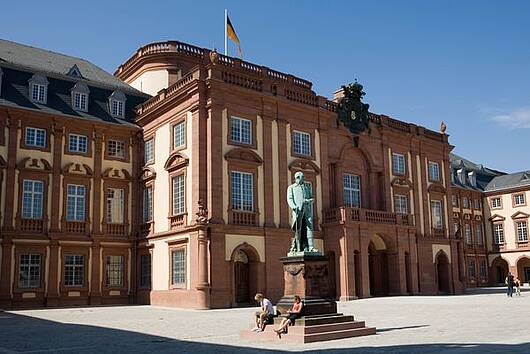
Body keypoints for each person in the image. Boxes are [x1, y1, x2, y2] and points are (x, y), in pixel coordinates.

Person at [287, 171, 317, 254]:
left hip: (307, 209)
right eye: (302, 177)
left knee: (309, 226)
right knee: (298, 229)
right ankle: (298, 246)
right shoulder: (291, 187)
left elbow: (312, 198)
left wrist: (309, 201)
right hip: (298, 211)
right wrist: (293, 206)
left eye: (303, 177)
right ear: (297, 178)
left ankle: (311, 247)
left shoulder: (306, 187)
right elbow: (290, 199)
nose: (303, 178)